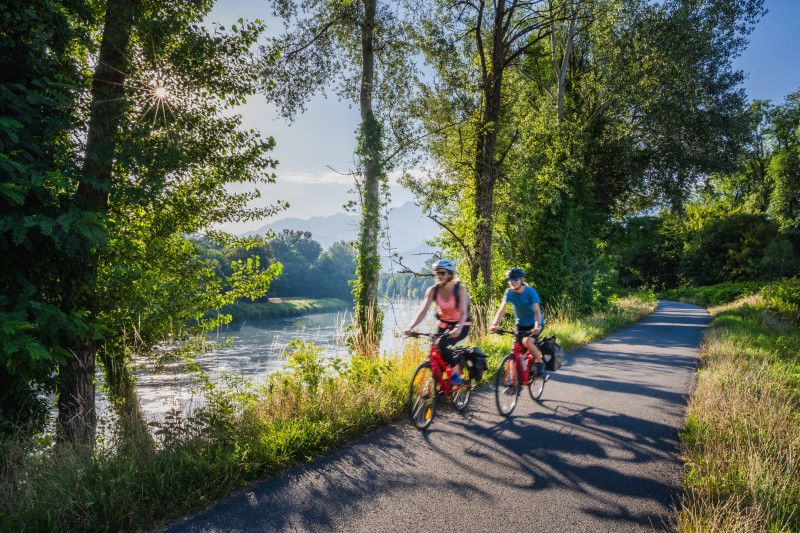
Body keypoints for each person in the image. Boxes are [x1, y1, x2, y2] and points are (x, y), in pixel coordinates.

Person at [404, 260, 471, 386]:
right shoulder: (433, 291)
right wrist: (410, 327)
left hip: (461, 325)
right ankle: (438, 388)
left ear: (450, 275)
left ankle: (456, 373)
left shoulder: (459, 290)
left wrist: (457, 328)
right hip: (443, 325)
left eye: (442, 273)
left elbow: (464, 313)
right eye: (436, 273)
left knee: (442, 344)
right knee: (435, 350)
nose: (438, 276)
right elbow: (422, 311)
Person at [489, 267, 547, 379]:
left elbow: (536, 311)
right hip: (520, 324)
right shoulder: (509, 292)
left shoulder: (530, 291)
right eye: (510, 279)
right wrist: (494, 324)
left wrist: (537, 326)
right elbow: (502, 309)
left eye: (515, 278)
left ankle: (540, 363)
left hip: (534, 323)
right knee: (515, 350)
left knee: (528, 342)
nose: (512, 281)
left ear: (521, 279)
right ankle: (513, 382)